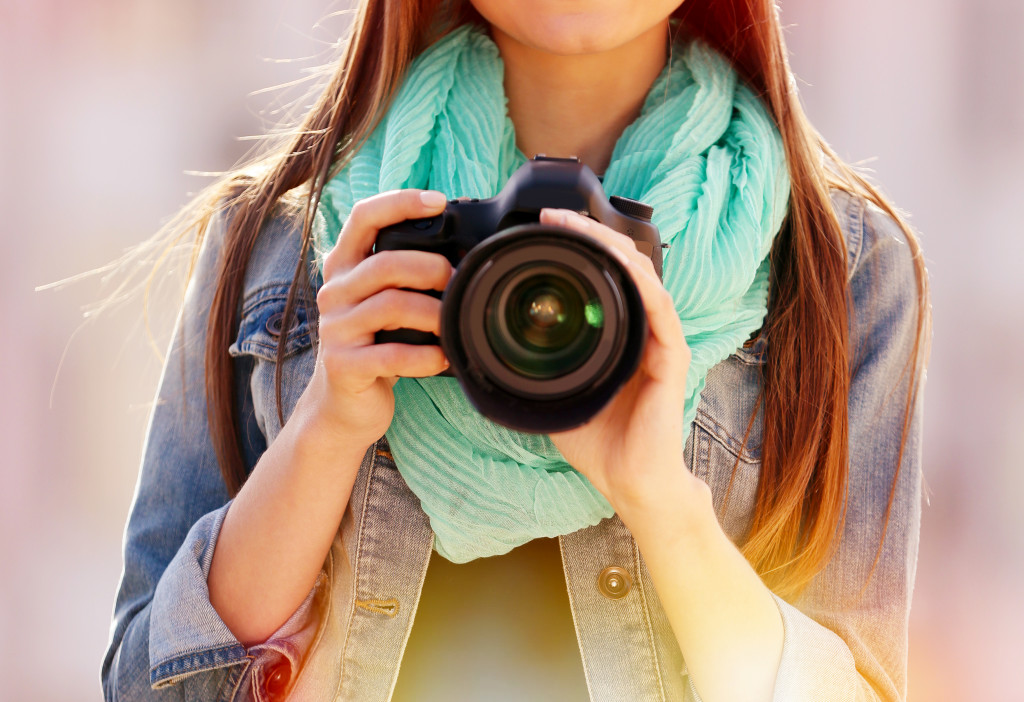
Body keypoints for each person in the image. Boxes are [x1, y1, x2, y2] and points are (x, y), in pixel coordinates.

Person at [101, 1, 930, 701]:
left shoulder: (841, 268)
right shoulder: (281, 243)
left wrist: (660, 500)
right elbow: (145, 686)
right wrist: (325, 429)